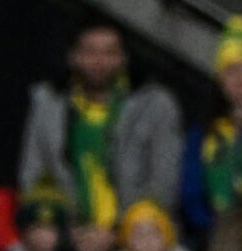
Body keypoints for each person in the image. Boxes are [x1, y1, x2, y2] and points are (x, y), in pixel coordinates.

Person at [19, 25, 184, 229]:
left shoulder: (156, 105)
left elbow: (164, 184)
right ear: (73, 57)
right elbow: (32, 177)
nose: (99, 62)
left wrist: (117, 234)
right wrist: (68, 231)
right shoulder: (48, 103)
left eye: (109, 53)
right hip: (66, 236)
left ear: (124, 58)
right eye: (90, 52)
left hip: (138, 238)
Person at [185, 18, 242, 243]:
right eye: (232, 71)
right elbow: (190, 191)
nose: (241, 80)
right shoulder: (203, 131)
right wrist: (213, 226)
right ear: (220, 79)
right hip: (210, 236)